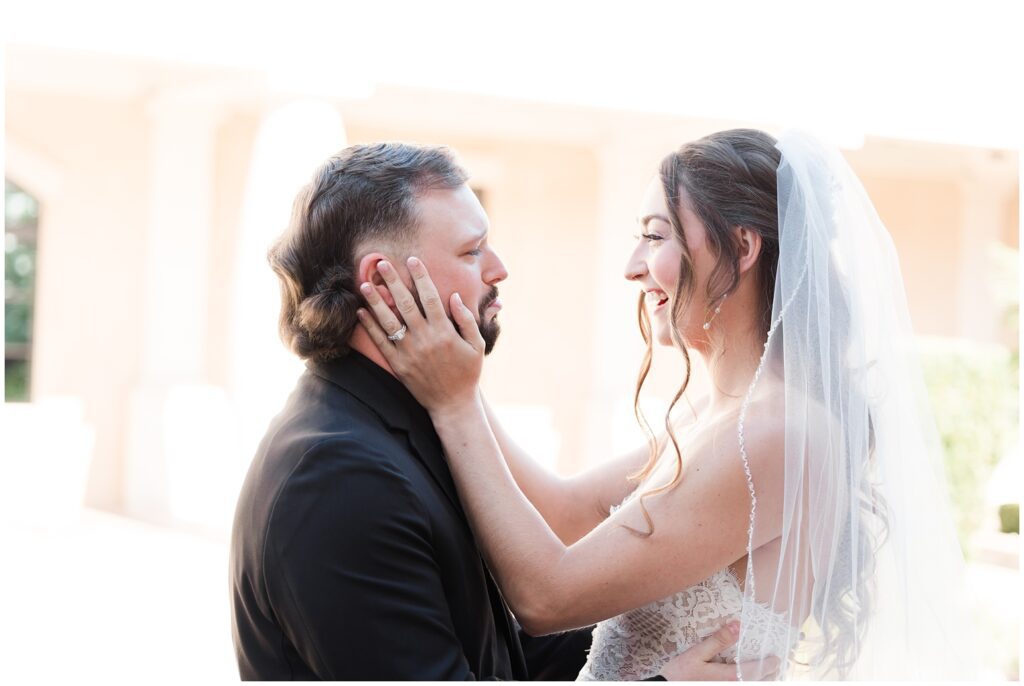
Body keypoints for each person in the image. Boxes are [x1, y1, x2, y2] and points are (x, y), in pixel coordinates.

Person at [357, 130, 978, 680]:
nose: (633, 268)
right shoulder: (712, 413)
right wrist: (449, 371)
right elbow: (568, 510)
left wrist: (456, 403)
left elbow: (548, 600)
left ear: (743, 245)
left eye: (654, 236)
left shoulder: (782, 432)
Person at [228, 141, 755, 680]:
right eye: (472, 250)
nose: (499, 269)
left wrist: (654, 648)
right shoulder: (336, 477)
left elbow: (496, 655)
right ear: (385, 282)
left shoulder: (407, 425)